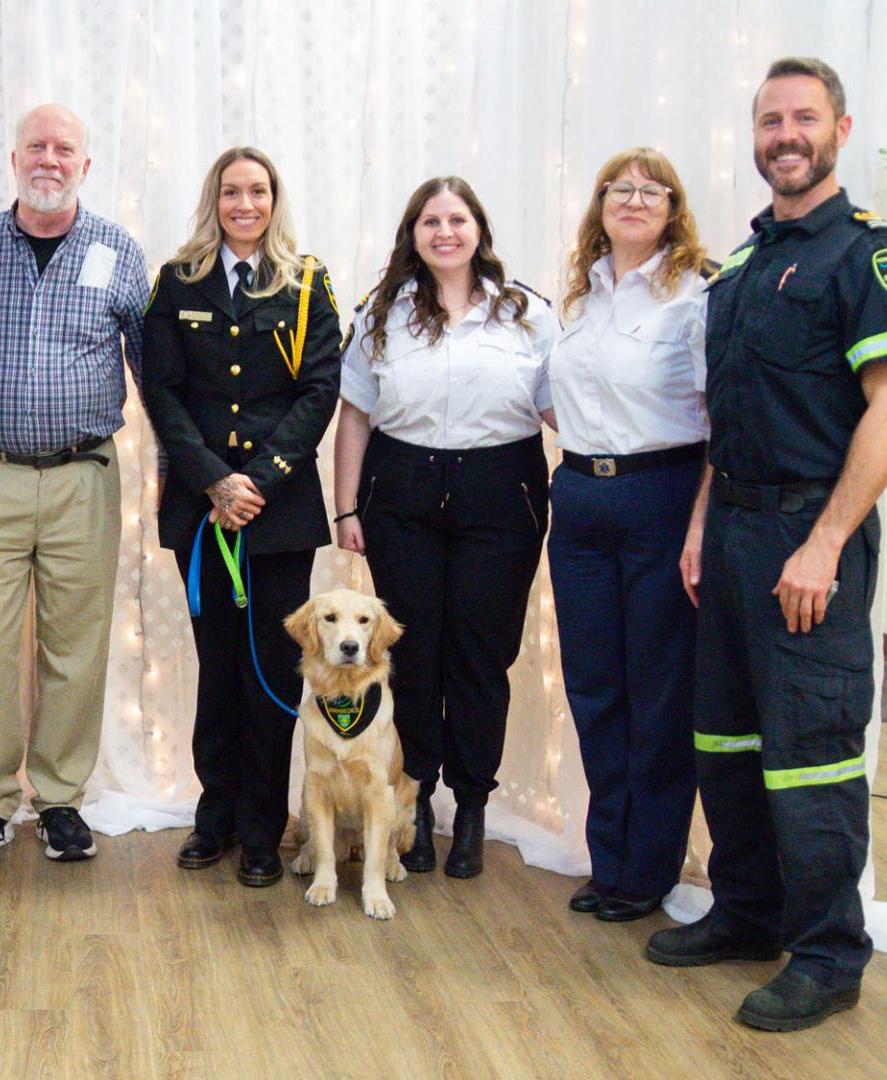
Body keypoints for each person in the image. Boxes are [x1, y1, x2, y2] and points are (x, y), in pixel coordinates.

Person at [645, 57, 887, 1033]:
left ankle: (828, 955)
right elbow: (728, 419)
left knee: (810, 750)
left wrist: (826, 541)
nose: (785, 136)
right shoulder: (743, 265)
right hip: (731, 529)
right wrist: (700, 526)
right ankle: (748, 912)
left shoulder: (870, 255)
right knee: (725, 737)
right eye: (771, 121)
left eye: (804, 118)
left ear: (839, 130)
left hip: (809, 531)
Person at [0, 104, 150, 866]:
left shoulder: (119, 252)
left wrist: (188, 470)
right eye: (36, 146)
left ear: (84, 166)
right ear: (14, 159)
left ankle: (60, 800)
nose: (49, 160)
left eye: (65, 149)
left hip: (82, 477)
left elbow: (156, 369)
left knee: (75, 646)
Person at [333, 176, 558, 880]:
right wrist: (345, 508)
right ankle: (417, 802)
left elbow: (562, 408)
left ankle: (473, 805)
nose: (445, 233)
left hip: (502, 492)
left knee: (481, 656)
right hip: (402, 491)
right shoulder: (381, 313)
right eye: (430, 221)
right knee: (414, 654)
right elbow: (355, 415)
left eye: (457, 220)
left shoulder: (526, 313)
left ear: (479, 230)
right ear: (414, 234)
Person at [141, 147, 341, 887]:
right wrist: (213, 482)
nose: (245, 204)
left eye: (258, 191)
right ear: (214, 200)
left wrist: (256, 481)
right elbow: (162, 391)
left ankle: (263, 828)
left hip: (278, 512)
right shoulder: (178, 281)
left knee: (270, 675)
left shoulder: (306, 283)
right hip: (202, 509)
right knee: (218, 668)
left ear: (274, 200)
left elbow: (319, 390)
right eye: (231, 192)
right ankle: (215, 817)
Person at [549, 149, 710, 923]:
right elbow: (557, 400)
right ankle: (608, 860)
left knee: (658, 691)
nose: (636, 200)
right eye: (622, 188)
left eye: (653, 191)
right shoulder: (582, 296)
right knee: (594, 689)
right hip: (581, 496)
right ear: (601, 202)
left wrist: (700, 522)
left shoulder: (695, 295)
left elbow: (719, 421)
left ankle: (647, 871)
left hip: (662, 496)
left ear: (673, 208)